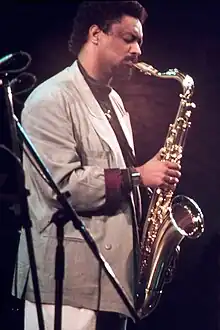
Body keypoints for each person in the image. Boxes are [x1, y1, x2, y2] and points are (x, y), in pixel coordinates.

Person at [14, 1, 181, 329]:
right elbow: (61, 188)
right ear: (96, 34)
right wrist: (139, 175)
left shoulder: (114, 101)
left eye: (140, 42)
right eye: (128, 38)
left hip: (110, 279)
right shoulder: (51, 99)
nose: (137, 50)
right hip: (66, 285)